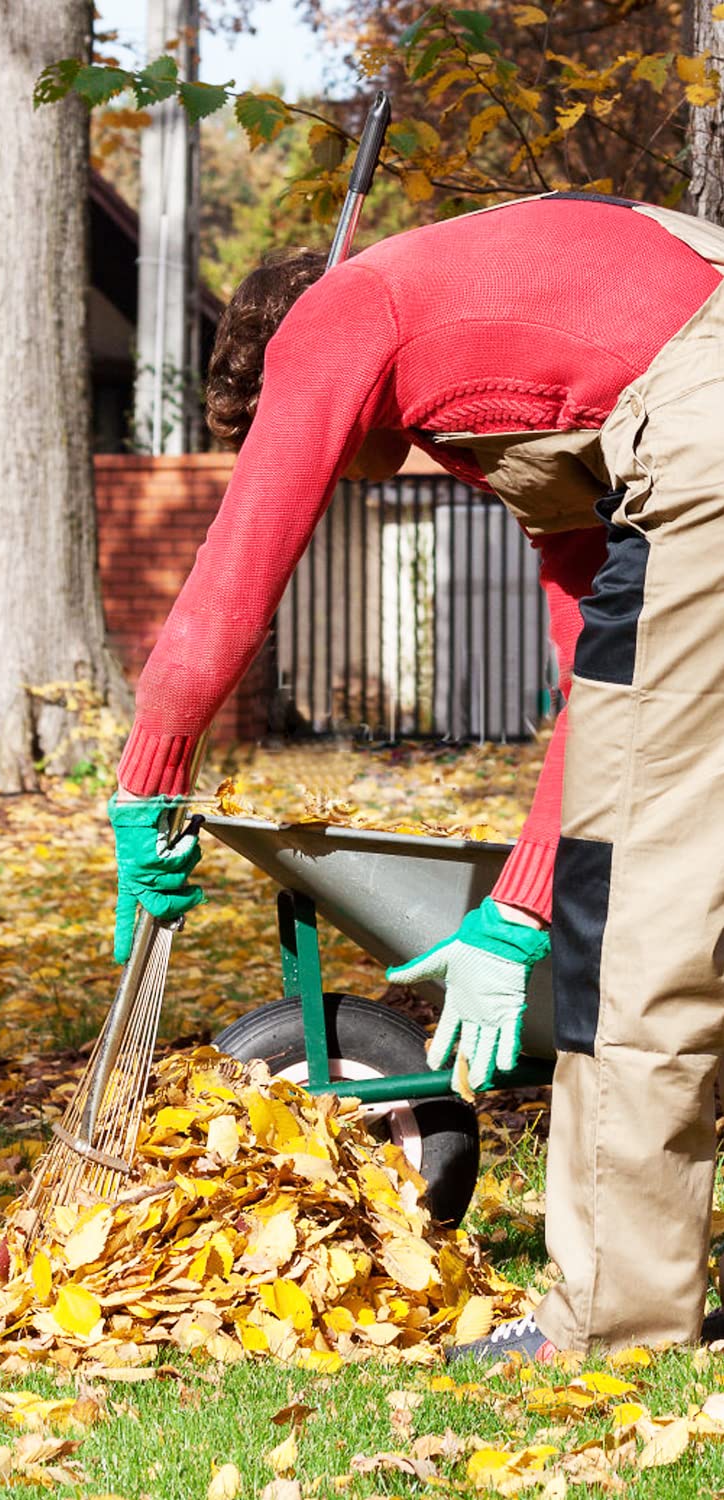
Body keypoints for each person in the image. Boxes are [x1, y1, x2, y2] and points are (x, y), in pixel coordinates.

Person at [109, 190, 724, 1361]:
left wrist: (152, 778)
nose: (343, 470)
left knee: (639, 916)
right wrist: (522, 906)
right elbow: (594, 699)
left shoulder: (342, 313)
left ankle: (617, 1326)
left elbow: (238, 572)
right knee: (660, 864)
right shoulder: (522, 374)